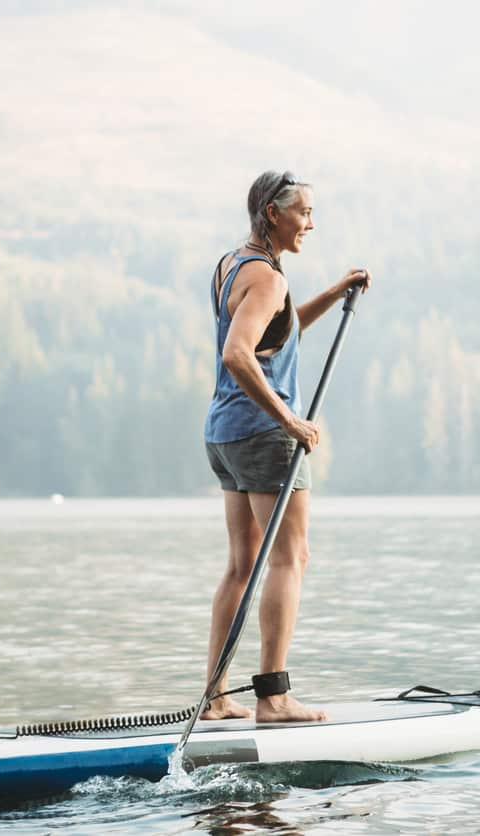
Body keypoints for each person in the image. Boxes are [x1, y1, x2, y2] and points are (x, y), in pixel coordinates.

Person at [201, 170, 371, 723]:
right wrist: (291, 420)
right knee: (290, 557)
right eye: (303, 212)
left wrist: (333, 292)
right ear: (273, 214)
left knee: (240, 564)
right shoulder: (268, 278)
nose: (311, 223)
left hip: (225, 433)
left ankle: (217, 696)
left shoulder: (233, 265)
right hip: (263, 435)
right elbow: (238, 353)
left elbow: (280, 330)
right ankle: (272, 697)